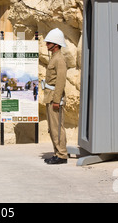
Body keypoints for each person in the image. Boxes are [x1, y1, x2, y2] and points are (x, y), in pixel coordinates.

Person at [43, 28, 68, 165]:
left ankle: (62, 155)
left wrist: (57, 100)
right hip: (50, 96)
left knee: (57, 127)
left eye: (49, 43)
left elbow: (60, 81)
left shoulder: (59, 59)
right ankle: (57, 153)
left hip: (54, 98)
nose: (46, 45)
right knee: (52, 127)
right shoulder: (54, 58)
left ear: (56, 44)